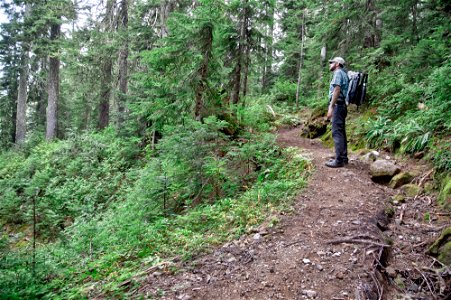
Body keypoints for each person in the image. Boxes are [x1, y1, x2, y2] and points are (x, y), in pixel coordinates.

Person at [326, 57, 349, 168]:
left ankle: (339, 160)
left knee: (336, 133)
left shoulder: (338, 73)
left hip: (338, 106)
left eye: (332, 62)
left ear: (338, 64)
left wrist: (331, 106)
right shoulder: (344, 74)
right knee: (341, 132)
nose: (330, 64)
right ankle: (343, 158)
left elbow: (337, 90)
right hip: (342, 106)